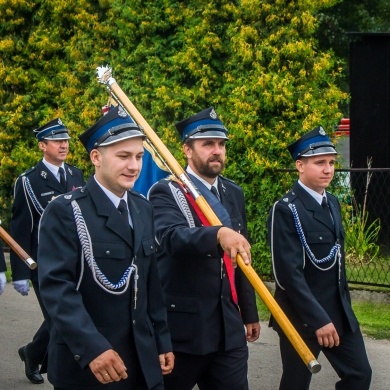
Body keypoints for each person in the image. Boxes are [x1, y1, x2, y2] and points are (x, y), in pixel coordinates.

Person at [37, 105, 174, 390]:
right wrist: (92, 348)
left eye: (139, 156)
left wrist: (161, 340)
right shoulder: (66, 211)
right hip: (92, 365)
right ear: (96, 157)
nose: (134, 166)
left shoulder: (142, 207)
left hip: (142, 358)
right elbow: (57, 289)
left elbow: (151, 283)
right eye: (123, 156)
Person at [148, 107, 260, 390]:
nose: (217, 151)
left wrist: (249, 312)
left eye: (221, 144)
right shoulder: (166, 190)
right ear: (187, 149)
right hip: (185, 330)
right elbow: (172, 238)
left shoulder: (232, 192)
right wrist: (218, 234)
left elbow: (240, 256)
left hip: (228, 329)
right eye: (207, 144)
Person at [267, 126, 372, 390]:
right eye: (319, 163)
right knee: (296, 382)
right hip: (302, 316)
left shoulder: (333, 202)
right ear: (300, 166)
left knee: (360, 374)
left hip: (338, 312)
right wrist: (317, 319)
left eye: (331, 163)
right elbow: (287, 275)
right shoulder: (285, 208)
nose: (328, 169)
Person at [9, 118, 85, 384]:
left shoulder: (76, 175)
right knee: (58, 318)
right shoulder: (28, 182)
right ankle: (52, 365)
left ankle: (32, 351)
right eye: (57, 141)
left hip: (77, 261)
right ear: (43, 146)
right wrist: (20, 272)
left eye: (65, 140)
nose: (64, 145)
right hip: (44, 264)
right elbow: (20, 228)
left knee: (60, 316)